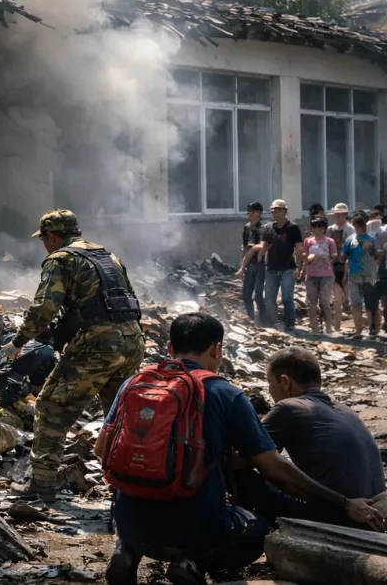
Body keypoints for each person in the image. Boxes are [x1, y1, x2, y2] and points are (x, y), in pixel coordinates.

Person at [101, 313, 386, 585]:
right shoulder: (226, 393)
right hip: (194, 533)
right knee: (259, 529)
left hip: (129, 523)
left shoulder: (133, 384)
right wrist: (343, 503)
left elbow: (102, 450)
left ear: (169, 348)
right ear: (217, 349)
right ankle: (194, 561)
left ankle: (127, 548)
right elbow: (272, 467)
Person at [0, 209, 144, 501]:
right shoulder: (108, 257)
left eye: (44, 239)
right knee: (118, 415)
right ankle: (124, 487)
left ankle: (41, 484)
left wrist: (18, 342)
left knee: (52, 407)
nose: (45, 245)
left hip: (97, 344)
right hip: (132, 342)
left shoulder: (61, 259)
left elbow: (44, 307)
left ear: (53, 236)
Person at [240, 347, 387, 526]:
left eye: (270, 383)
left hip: (342, 516)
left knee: (240, 474)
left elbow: (246, 460)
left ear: (285, 382)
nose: (270, 391)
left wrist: (344, 503)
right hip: (375, 513)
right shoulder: (345, 409)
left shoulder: (288, 408)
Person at [260, 199, 305, 330]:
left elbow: (299, 248)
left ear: (284, 211)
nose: (274, 212)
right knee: (269, 298)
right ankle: (274, 323)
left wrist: (298, 267)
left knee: (286, 298)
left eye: (278, 210)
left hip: (288, 268)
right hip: (271, 268)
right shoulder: (268, 227)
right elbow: (264, 246)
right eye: (273, 210)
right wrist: (258, 258)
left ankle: (290, 324)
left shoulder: (292, 227)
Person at [341, 211, 378, 336]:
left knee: (356, 304)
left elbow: (343, 257)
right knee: (369, 303)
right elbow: (377, 256)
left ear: (355, 225)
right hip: (368, 275)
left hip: (355, 275)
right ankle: (370, 329)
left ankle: (359, 330)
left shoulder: (350, 240)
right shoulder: (372, 239)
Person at [302, 216, 337, 334]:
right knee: (312, 302)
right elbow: (305, 256)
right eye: (316, 227)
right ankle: (314, 326)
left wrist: (327, 257)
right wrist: (306, 258)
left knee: (324, 301)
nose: (319, 229)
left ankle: (328, 326)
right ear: (312, 228)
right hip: (311, 274)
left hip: (326, 274)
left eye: (322, 227)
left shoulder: (330, 241)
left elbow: (334, 255)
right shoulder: (308, 241)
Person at [235, 202, 268, 324]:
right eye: (248, 210)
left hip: (260, 263)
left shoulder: (264, 227)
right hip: (249, 264)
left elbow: (264, 246)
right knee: (246, 294)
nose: (248, 213)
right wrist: (242, 266)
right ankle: (251, 319)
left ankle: (263, 320)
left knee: (258, 294)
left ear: (258, 212)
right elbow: (245, 247)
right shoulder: (247, 227)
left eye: (251, 211)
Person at [328, 203, 356, 327]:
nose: (337, 216)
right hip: (332, 262)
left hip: (346, 262)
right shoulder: (330, 229)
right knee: (335, 289)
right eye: (336, 214)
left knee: (346, 285)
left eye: (340, 214)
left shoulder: (350, 229)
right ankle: (338, 321)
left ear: (345, 215)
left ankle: (351, 313)